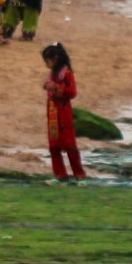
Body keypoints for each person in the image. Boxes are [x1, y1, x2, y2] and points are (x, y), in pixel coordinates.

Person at [42, 42, 85, 180]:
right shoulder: (52, 73)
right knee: (54, 144)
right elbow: (48, 87)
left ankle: (79, 174)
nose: (46, 64)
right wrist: (47, 86)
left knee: (69, 143)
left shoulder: (67, 73)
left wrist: (56, 88)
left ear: (55, 58)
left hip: (64, 109)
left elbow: (72, 92)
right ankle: (60, 175)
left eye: (47, 61)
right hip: (53, 110)